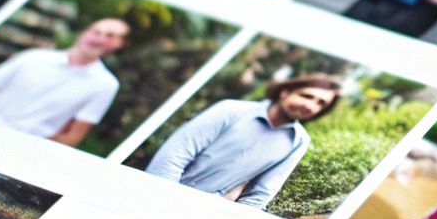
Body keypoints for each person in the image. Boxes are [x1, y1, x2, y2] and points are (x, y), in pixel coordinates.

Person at [143, 75, 341, 209]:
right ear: (285, 92)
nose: (310, 105)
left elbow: (261, 194)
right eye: (307, 96)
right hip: (158, 196)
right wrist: (162, 200)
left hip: (205, 214)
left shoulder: (298, 142)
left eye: (320, 104)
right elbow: (175, 154)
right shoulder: (232, 110)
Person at [0, 18, 128, 147]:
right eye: (96, 32)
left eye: (110, 35)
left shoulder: (105, 85)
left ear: (118, 44)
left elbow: (73, 137)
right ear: (84, 33)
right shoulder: (34, 57)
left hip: (18, 146)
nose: (99, 38)